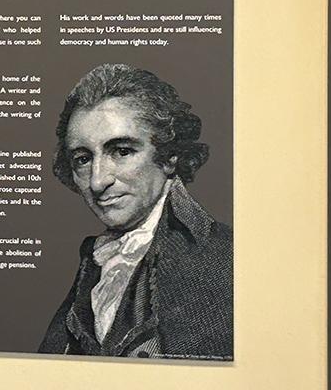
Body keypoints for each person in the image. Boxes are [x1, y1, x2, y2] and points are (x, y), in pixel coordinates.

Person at [39, 63, 232, 360]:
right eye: (82, 158)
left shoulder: (224, 258)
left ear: (169, 156)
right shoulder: (96, 260)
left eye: (122, 151)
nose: (98, 180)